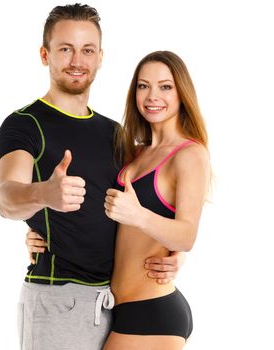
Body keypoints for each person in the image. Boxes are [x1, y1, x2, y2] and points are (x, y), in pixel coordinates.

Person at [0, 4, 184, 350]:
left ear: (100, 57)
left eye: (87, 50)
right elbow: (7, 197)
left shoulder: (115, 134)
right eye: (65, 49)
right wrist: (44, 195)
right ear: (44, 54)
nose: (77, 60)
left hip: (118, 304)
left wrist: (172, 250)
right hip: (58, 301)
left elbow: (152, 200)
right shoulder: (25, 124)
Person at [102, 51, 210, 349]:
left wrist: (137, 215)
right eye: (143, 85)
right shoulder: (134, 151)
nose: (152, 96)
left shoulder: (190, 154)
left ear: (181, 93)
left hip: (152, 312)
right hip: (118, 310)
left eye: (165, 86)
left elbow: (186, 235)